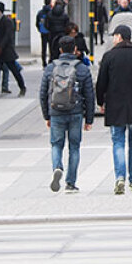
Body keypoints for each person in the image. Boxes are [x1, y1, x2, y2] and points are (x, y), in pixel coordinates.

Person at [95, 25, 132, 195]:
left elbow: (101, 83)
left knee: (118, 142)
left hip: (115, 106)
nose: (113, 39)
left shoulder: (109, 56)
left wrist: (101, 101)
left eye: (114, 36)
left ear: (120, 37)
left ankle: (120, 177)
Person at [41, 35, 96, 194]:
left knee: (56, 144)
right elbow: (90, 95)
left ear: (60, 50)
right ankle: (70, 183)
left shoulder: (51, 68)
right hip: (75, 112)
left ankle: (57, 167)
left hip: (56, 111)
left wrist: (47, 115)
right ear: (75, 50)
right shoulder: (82, 68)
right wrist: (89, 119)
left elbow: (43, 93)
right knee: (74, 147)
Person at [0, 3, 26, 97]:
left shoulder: (7, 21)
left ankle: (22, 87)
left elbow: (7, 36)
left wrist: (0, 47)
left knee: (14, 69)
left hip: (6, 50)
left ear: (0, 10)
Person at [36, 0, 51, 66]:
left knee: (43, 48)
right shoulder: (51, 12)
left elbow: (37, 22)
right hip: (50, 32)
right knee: (51, 47)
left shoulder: (40, 12)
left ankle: (44, 62)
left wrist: (39, 29)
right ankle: (50, 61)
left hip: (43, 31)